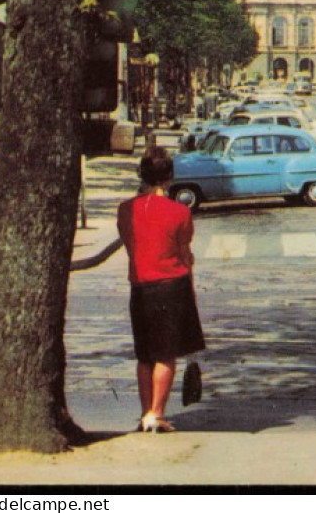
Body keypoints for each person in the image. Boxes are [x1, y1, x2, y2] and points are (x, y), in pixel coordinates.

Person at [117, 148, 205, 433]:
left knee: (144, 354)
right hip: (171, 286)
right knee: (165, 354)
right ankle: (157, 413)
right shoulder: (179, 212)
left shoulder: (125, 209)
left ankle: (146, 414)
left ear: (142, 175)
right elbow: (183, 252)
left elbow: (132, 245)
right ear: (169, 178)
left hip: (140, 286)